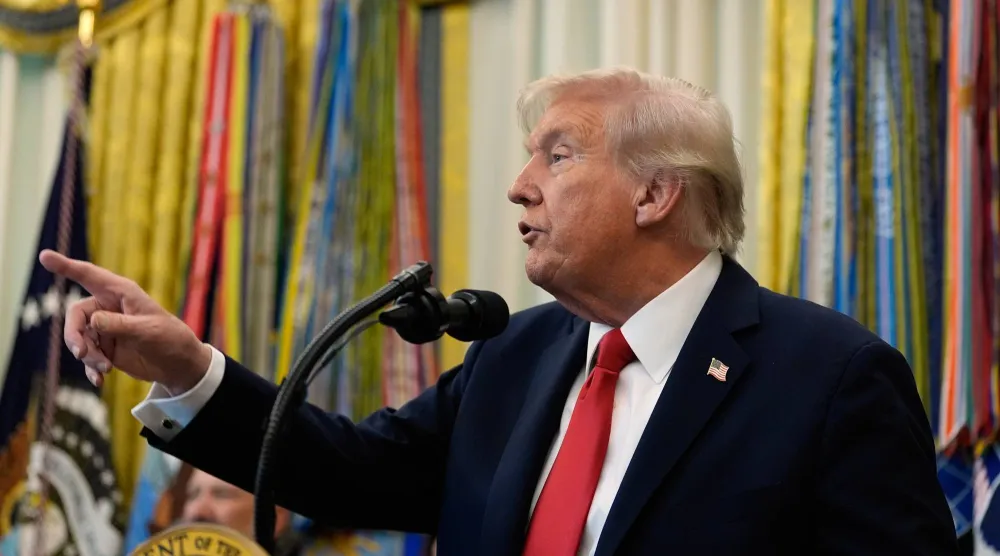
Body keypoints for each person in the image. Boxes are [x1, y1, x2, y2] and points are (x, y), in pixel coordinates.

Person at [41, 67, 956, 555]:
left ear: (656, 194)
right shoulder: (515, 357)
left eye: (556, 157)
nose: (518, 188)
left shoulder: (830, 378)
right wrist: (186, 368)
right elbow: (347, 474)